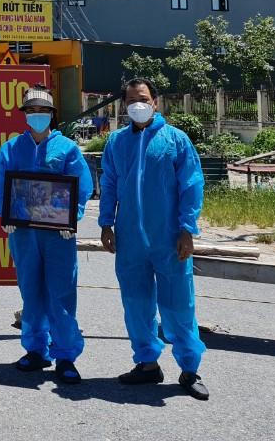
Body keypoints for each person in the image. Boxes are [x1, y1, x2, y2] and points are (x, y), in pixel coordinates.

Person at [99, 77, 209, 400]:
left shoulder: (175, 140)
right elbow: (109, 184)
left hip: (169, 238)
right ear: (124, 105)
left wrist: (187, 229)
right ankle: (147, 363)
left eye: (143, 99)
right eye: (132, 100)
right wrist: (106, 223)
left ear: (156, 103)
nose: (138, 105)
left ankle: (189, 369)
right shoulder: (116, 142)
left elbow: (191, 186)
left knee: (179, 305)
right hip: (130, 239)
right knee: (136, 303)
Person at [0, 87, 93, 384]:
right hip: (23, 233)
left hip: (58, 235)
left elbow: (82, 187)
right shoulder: (11, 149)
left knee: (61, 293)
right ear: (25, 114)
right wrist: (6, 215)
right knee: (31, 291)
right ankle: (36, 350)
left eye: (43, 111)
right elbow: (1, 186)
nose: (37, 116)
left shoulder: (68, 148)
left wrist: (72, 217)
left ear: (52, 114)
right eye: (32, 111)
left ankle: (65, 356)